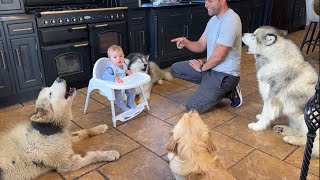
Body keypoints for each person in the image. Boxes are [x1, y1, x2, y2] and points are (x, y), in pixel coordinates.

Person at [170, 0, 243, 114]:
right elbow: (200, 45)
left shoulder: (231, 20)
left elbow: (218, 57)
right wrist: (186, 42)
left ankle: (229, 90)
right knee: (175, 68)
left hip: (225, 75)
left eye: (210, 1)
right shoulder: (213, 21)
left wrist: (202, 67)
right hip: (210, 68)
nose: (205, 4)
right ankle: (216, 89)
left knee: (193, 107)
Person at [102, 45, 136, 112]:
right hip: (115, 87)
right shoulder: (111, 68)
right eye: (115, 57)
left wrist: (127, 72)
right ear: (110, 60)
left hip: (123, 84)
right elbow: (105, 76)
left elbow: (123, 73)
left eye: (121, 56)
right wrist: (114, 78)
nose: (119, 58)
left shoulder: (124, 65)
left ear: (124, 56)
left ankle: (130, 102)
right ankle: (122, 106)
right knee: (118, 95)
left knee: (132, 89)